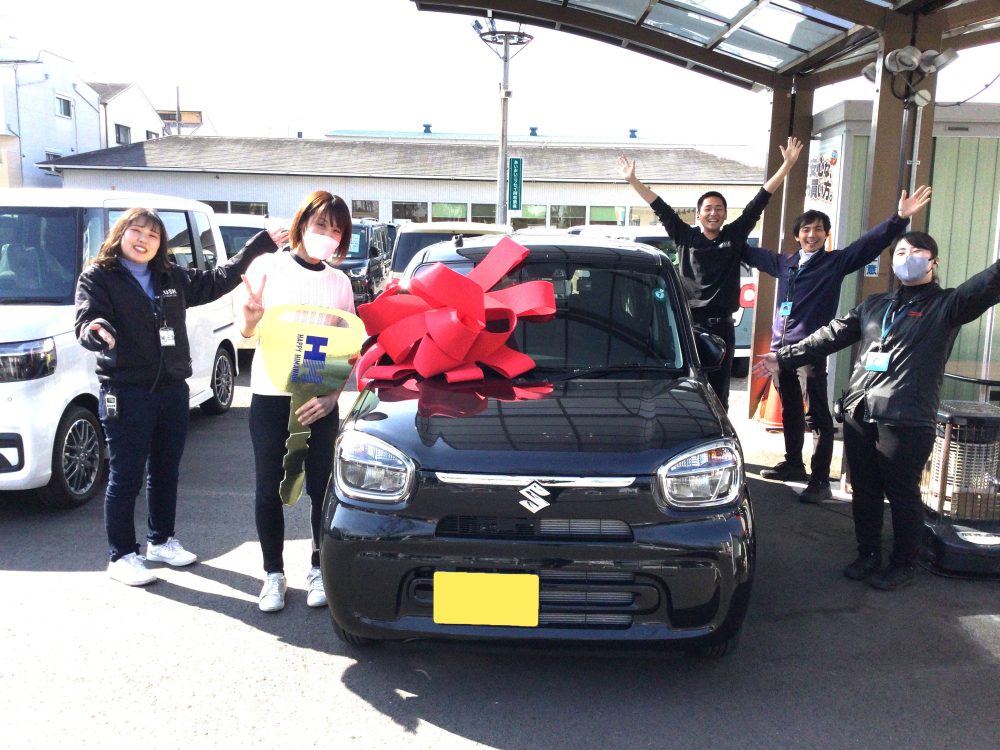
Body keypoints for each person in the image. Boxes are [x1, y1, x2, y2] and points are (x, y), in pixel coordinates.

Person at [754, 231, 1000, 590]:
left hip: (906, 417)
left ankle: (904, 562)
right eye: (900, 251)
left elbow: (987, 284)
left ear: (934, 261)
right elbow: (832, 334)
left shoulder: (947, 305)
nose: (907, 256)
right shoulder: (875, 304)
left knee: (901, 493)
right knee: (865, 489)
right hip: (860, 410)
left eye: (917, 250)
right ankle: (868, 553)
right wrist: (785, 356)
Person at [75, 208, 284, 586]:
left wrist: (260, 245)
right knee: (125, 476)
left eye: (153, 235)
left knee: (165, 471)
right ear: (121, 234)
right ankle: (122, 555)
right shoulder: (99, 276)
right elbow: (87, 319)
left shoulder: (170, 275)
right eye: (137, 231)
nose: (144, 240)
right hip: (126, 390)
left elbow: (218, 279)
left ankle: (161, 541)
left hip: (171, 389)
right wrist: (96, 329)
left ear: (161, 244)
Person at [746, 186, 933, 502]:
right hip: (781, 351)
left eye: (819, 229)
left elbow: (868, 245)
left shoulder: (834, 262)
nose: (812, 234)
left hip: (811, 350)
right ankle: (793, 464)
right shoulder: (785, 263)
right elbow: (745, 250)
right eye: (806, 229)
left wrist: (899, 218)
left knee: (817, 415)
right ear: (797, 236)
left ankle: (820, 479)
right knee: (790, 410)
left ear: (826, 235)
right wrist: (719, 236)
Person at [617, 137, 803, 409]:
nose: (713, 213)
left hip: (723, 327)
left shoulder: (734, 235)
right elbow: (660, 207)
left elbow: (760, 200)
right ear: (698, 215)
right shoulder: (685, 236)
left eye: (719, 209)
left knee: (718, 393)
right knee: (685, 388)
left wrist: (786, 166)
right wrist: (633, 180)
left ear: (725, 214)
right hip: (688, 325)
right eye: (708, 209)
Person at [240, 190, 355, 613]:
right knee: (269, 488)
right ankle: (273, 573)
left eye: (336, 229)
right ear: (302, 222)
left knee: (321, 488)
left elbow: (347, 347)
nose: (327, 234)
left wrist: (331, 397)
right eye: (321, 224)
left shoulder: (339, 282)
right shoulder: (268, 266)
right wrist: (250, 320)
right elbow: (246, 334)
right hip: (271, 392)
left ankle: (318, 568)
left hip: (316, 390)